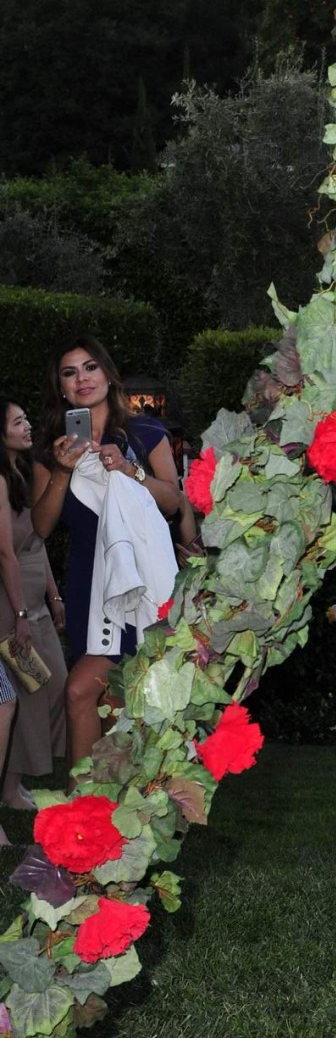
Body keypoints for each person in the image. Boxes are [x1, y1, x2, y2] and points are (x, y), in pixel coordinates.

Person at [31, 337, 180, 771]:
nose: (82, 379)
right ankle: (100, 817)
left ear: (108, 375)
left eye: (90, 367)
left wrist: (130, 470)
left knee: (83, 691)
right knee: (109, 701)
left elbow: (173, 502)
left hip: (138, 579)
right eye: (70, 372)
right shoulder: (51, 446)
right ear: (61, 387)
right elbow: (41, 526)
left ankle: (88, 816)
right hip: (85, 583)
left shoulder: (146, 433)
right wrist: (62, 470)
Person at [0, 396, 67, 812]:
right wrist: (21, 614)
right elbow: (5, 553)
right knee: (25, 689)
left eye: (27, 418)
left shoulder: (20, 471)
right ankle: (10, 786)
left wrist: (54, 595)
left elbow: (36, 541)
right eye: (18, 421)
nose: (27, 427)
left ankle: (14, 781)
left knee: (53, 682)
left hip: (36, 598)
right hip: (12, 602)